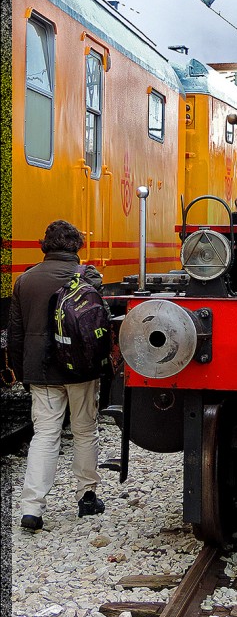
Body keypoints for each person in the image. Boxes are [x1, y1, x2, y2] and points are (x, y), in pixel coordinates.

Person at [9, 220, 107, 531]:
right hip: (80, 368)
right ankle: (87, 497)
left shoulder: (25, 281)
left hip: (41, 370)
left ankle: (32, 508)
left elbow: (15, 334)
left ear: (44, 246)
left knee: (45, 435)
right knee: (84, 430)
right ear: (76, 246)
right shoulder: (86, 277)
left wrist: (21, 371)